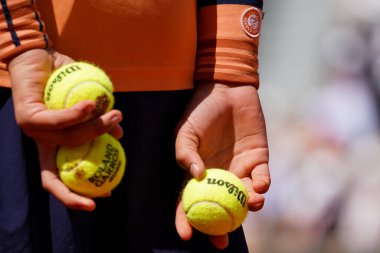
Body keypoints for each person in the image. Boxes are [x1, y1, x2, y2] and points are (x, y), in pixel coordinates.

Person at [0, 1, 271, 252]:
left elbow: (230, 60)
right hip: (31, 77)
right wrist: (17, 36)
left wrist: (229, 66)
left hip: (186, 98)